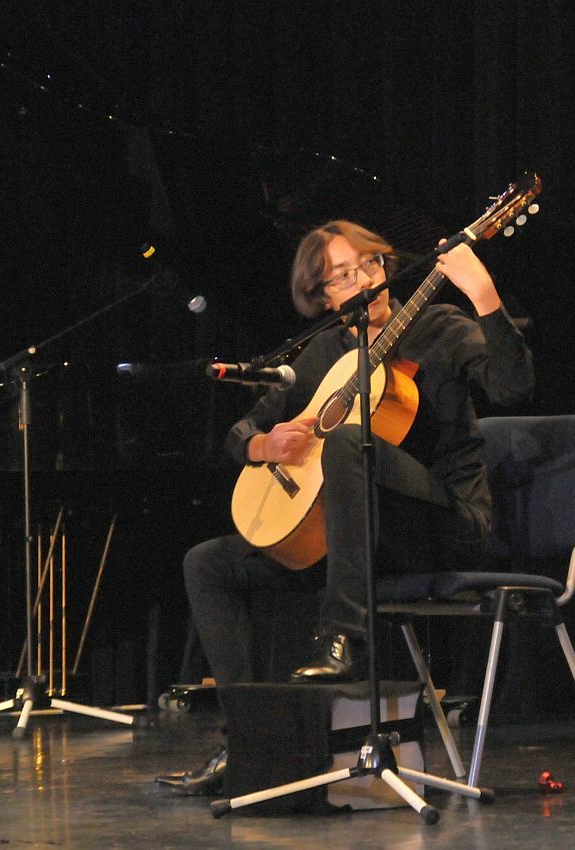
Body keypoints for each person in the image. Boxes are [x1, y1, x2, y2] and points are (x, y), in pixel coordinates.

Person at [159, 220, 533, 795]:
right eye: (342, 276)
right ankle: (248, 744)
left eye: (369, 265)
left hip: (441, 525)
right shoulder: (324, 353)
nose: (363, 281)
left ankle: (342, 636)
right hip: (356, 545)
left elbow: (513, 388)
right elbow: (241, 431)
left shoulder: (439, 327)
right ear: (324, 298)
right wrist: (264, 445)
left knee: (348, 441)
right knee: (207, 563)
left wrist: (483, 295)